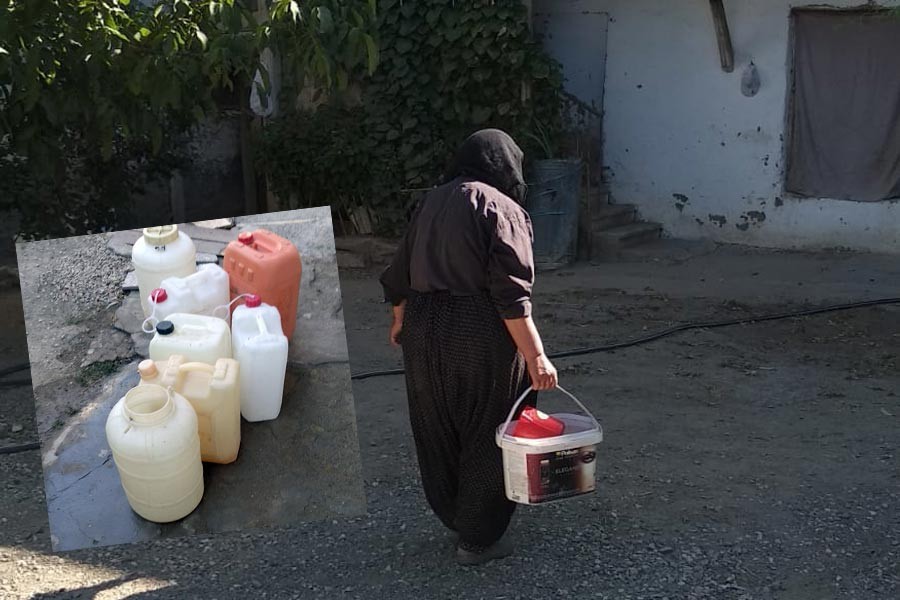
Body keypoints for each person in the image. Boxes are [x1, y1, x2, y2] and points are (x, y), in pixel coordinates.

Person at [380, 128, 559, 566]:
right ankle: (479, 539)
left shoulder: (433, 199)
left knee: (437, 425)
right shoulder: (504, 208)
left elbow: (399, 273)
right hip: (478, 329)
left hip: (422, 327)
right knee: (492, 428)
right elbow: (511, 297)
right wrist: (536, 357)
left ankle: (456, 516)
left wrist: (400, 321)